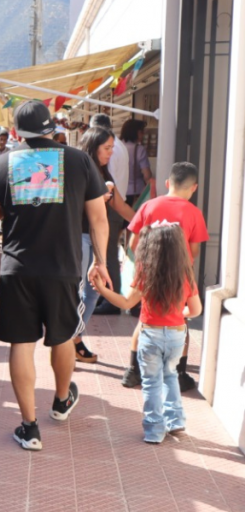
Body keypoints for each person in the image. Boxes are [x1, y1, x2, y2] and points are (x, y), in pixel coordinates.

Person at [0, 101, 110, 451]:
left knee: (22, 343)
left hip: (17, 268)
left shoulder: (2, 163)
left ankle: (29, 427)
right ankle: (62, 401)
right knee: (63, 335)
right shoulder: (80, 160)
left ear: (18, 132)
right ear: (51, 128)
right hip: (63, 267)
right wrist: (101, 262)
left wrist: (15, 200)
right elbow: (98, 218)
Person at [91, 224, 202, 443]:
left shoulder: (146, 273)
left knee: (151, 382)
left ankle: (154, 430)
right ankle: (176, 420)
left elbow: (125, 302)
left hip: (150, 334)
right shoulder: (186, 275)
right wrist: (180, 313)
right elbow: (196, 310)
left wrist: (102, 290)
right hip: (177, 335)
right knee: (170, 374)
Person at [121, 162, 209, 392]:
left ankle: (133, 371)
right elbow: (195, 250)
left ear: (168, 183)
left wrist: (141, 266)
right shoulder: (194, 213)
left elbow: (133, 242)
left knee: (144, 319)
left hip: (149, 272)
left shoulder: (149, 206)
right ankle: (179, 374)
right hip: (179, 276)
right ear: (194, 188)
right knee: (182, 322)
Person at [72, 128, 137, 363]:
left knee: (91, 292)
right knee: (78, 293)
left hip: (95, 241)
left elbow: (120, 206)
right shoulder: (79, 169)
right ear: (93, 146)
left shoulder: (103, 171)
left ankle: (73, 338)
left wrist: (146, 222)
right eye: (107, 148)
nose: (111, 152)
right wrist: (100, 197)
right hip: (78, 239)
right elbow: (73, 206)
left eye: (112, 147)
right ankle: (70, 343)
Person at [91, 114, 129, 202]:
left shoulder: (110, 147)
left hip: (112, 201)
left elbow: (110, 178)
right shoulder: (119, 144)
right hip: (118, 198)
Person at [121, 119, 154, 207]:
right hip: (135, 192)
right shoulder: (139, 149)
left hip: (118, 192)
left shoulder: (116, 147)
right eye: (142, 131)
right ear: (135, 132)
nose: (143, 134)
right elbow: (147, 175)